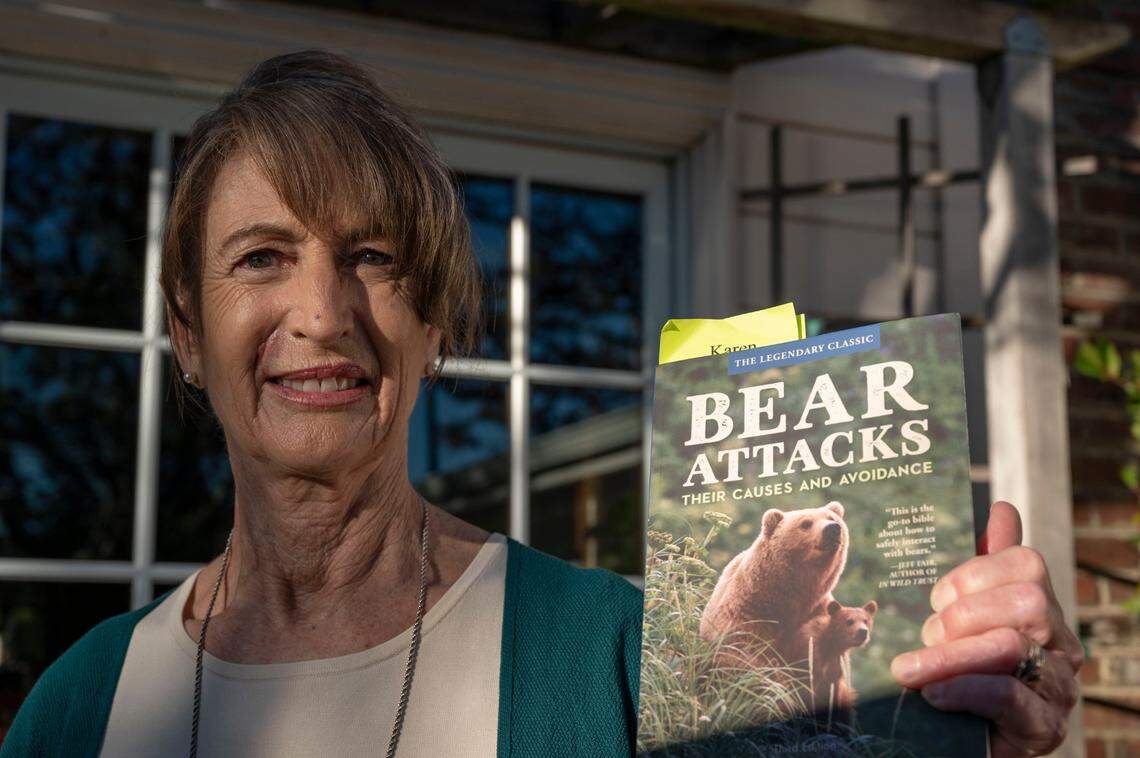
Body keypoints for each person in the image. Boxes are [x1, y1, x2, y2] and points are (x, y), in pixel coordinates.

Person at [0, 49, 1081, 758]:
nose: (321, 312)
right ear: (188, 331)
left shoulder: (620, 657)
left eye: (370, 256)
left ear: (434, 323)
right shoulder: (76, 709)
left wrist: (979, 726)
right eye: (262, 257)